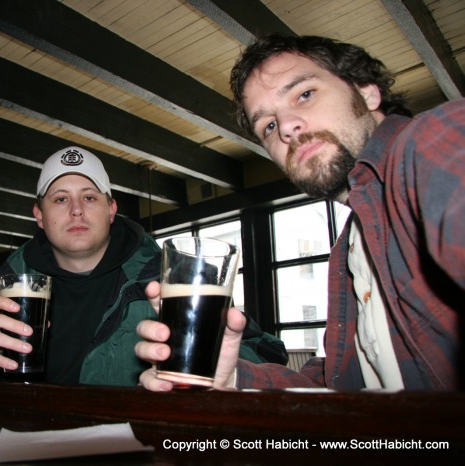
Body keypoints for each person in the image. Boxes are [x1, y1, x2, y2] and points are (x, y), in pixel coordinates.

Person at [136, 34, 464, 392]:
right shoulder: (352, 244)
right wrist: (231, 378)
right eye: (269, 126)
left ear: (367, 92)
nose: (288, 127)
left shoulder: (432, 141)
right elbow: (340, 386)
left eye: (304, 94)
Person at [0, 146, 287, 386]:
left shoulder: (169, 278)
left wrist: (220, 365)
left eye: (90, 197)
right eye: (60, 199)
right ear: (39, 216)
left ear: (111, 209)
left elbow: (267, 353)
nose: (76, 209)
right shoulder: (12, 288)